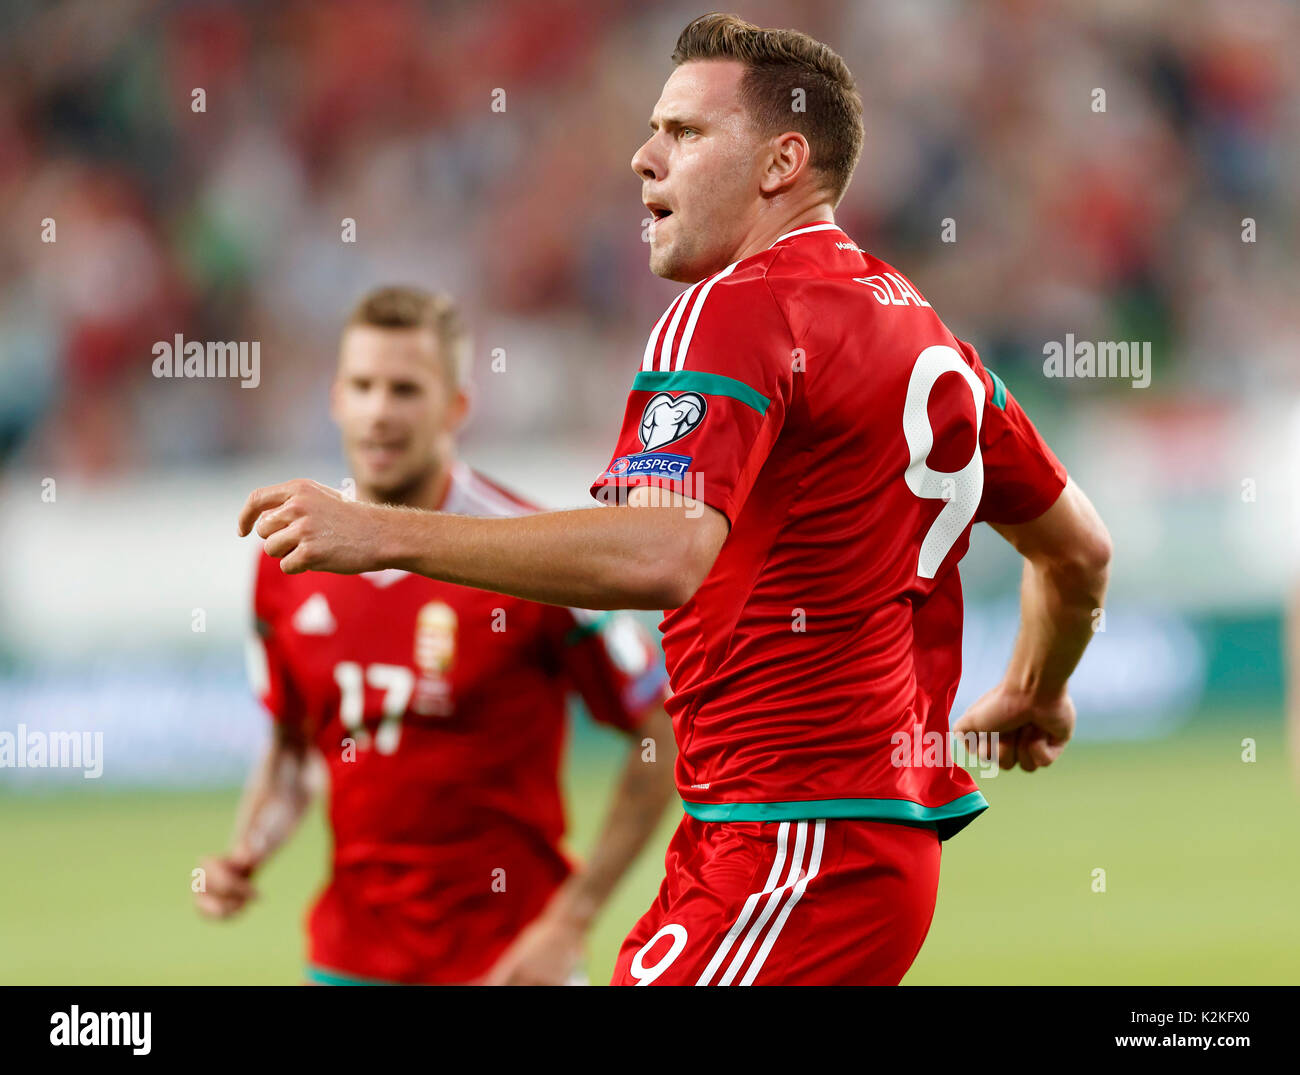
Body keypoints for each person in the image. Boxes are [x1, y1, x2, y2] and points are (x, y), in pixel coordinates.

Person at [236, 14, 1112, 985]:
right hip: (818, 841)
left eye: (686, 134)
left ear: (782, 162)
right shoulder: (923, 333)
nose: (642, 158)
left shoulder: (733, 308)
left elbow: (659, 555)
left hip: (792, 841)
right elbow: (1077, 553)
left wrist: (381, 531)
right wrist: (1035, 688)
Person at [199, 285, 677, 986]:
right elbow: (296, 746)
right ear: (335, 397)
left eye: (405, 389)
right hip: (349, 962)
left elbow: (658, 735)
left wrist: (570, 921)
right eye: (363, 386)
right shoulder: (289, 561)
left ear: (457, 405)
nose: (380, 412)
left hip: (507, 963)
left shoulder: (527, 553)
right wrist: (247, 849)